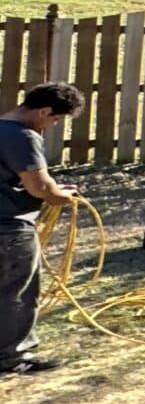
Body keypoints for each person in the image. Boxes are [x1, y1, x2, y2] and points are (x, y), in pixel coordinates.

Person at [1, 82, 84, 376]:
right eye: (56, 119)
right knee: (16, 292)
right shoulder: (24, 136)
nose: (53, 125)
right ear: (45, 111)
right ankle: (13, 358)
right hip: (9, 228)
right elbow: (39, 187)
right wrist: (63, 196)